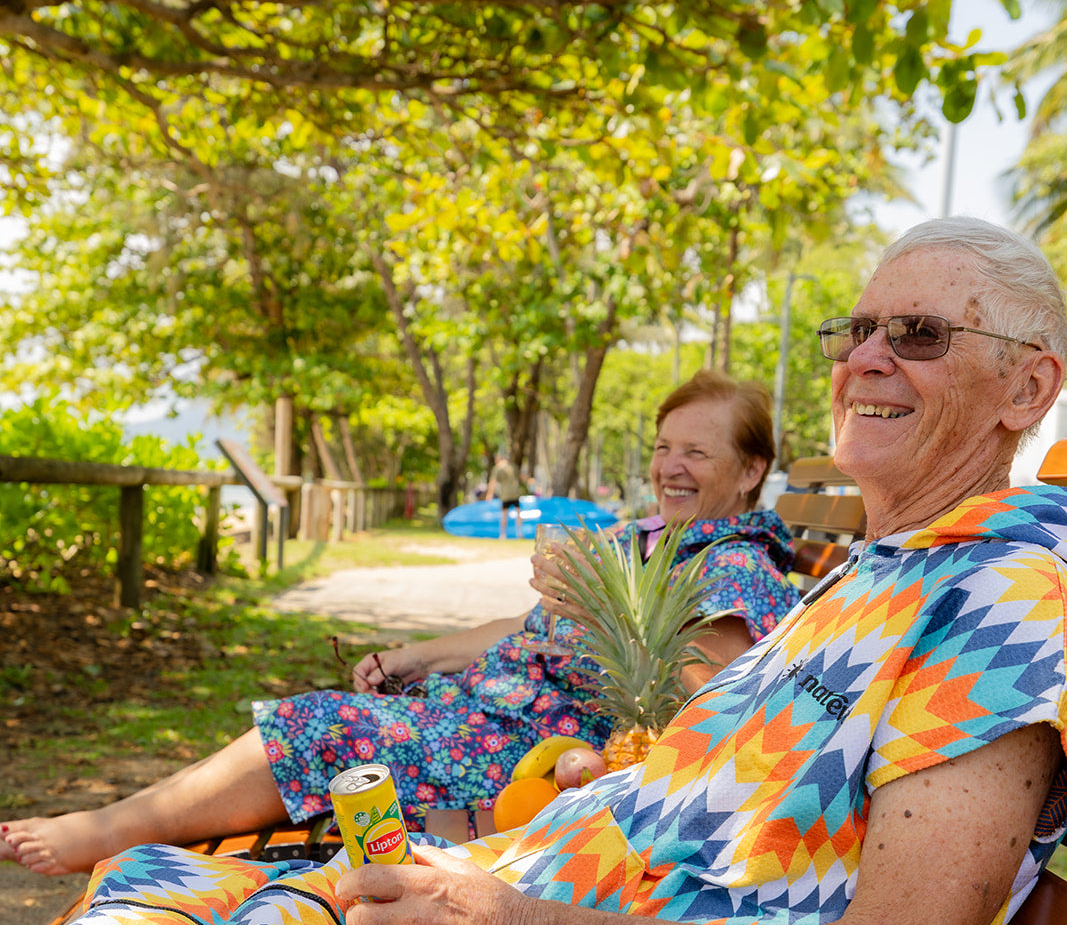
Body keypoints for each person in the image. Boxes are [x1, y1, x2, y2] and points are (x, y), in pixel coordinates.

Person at [3, 217, 1066, 925]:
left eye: (918, 333)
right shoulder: (891, 571)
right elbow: (767, 804)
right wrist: (608, 783)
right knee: (154, 889)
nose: (865, 356)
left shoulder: (1003, 599)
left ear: (1026, 387)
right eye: (860, 328)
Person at [0, 371, 796, 876]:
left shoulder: (732, 564)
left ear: (750, 470)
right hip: (477, 716)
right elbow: (519, 630)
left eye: (695, 452)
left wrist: (596, 608)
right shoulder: (642, 540)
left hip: (533, 766)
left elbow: (708, 699)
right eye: (663, 447)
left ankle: (104, 832)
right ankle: (118, 827)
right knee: (341, 719)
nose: (669, 467)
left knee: (323, 725)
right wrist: (414, 653)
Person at [486, 453, 526, 539]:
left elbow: (493, 482)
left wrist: (489, 494)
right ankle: (520, 533)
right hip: (515, 492)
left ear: (497, 461)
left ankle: (503, 535)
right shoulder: (513, 466)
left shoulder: (497, 468)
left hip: (506, 494)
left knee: (504, 514)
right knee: (518, 513)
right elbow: (521, 478)